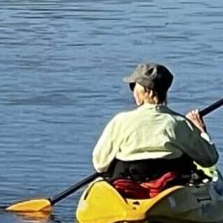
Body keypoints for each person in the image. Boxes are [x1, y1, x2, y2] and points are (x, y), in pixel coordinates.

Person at [91, 62, 218, 197]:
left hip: (129, 185)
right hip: (168, 188)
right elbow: (209, 159)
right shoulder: (178, 122)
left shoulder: (120, 121)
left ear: (144, 90)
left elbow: (100, 164)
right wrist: (201, 131)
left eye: (133, 86)